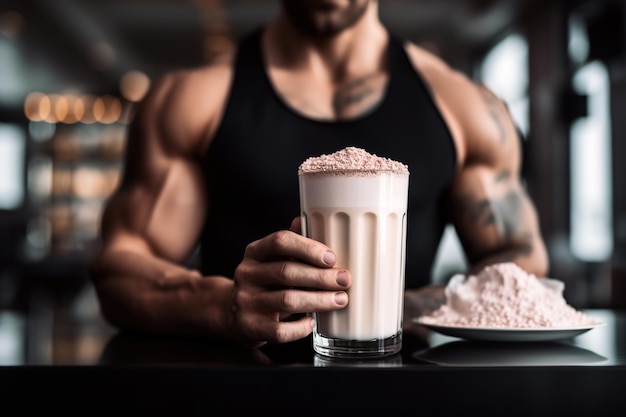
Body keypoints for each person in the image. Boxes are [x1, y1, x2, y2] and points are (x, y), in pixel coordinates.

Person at [89, 0, 548, 348]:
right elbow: (118, 269)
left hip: (401, 391)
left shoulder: (465, 108)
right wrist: (221, 305)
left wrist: (419, 305)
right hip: (237, 393)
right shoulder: (192, 101)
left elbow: (519, 256)